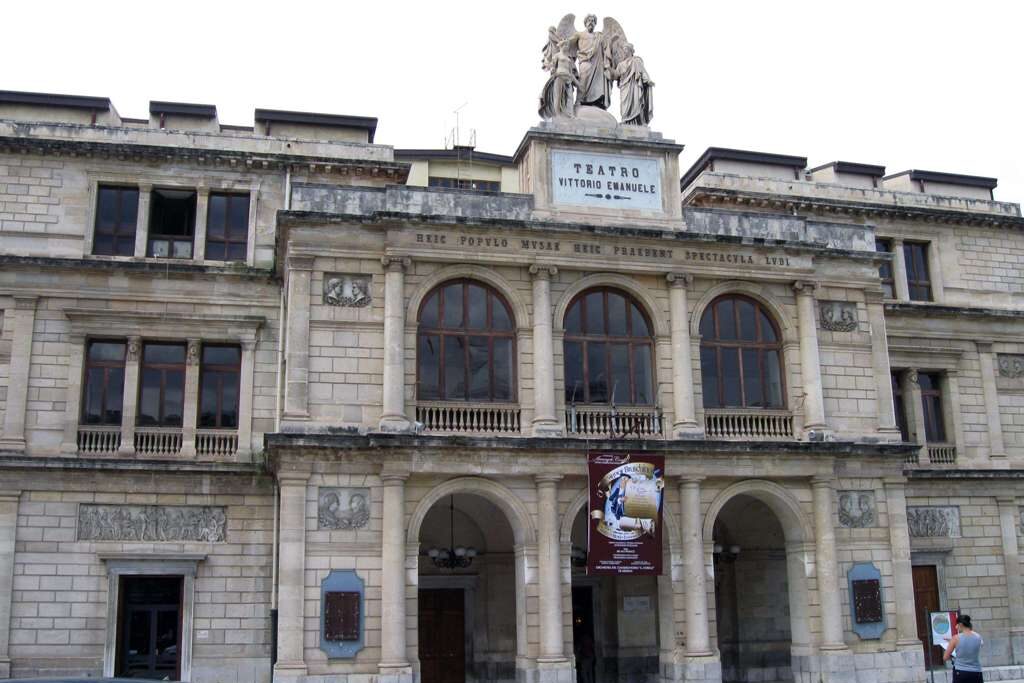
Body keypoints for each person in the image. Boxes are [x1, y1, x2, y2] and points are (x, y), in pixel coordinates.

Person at [611, 43, 654, 126]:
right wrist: (608, 68)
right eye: (623, 50)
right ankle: (625, 119)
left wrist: (648, 80)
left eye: (626, 49)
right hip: (625, 87)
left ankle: (639, 121)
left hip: (634, 85)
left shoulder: (636, 61)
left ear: (630, 51)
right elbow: (616, 75)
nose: (624, 52)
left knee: (637, 102)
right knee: (625, 105)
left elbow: (642, 72)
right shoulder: (621, 64)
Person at [538, 40, 580, 120]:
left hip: (568, 78)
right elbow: (553, 67)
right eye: (565, 45)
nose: (566, 47)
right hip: (559, 77)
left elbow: (571, 71)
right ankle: (557, 114)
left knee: (570, 97)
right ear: (561, 46)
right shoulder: (557, 56)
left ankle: (570, 114)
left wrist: (576, 82)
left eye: (567, 46)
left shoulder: (569, 59)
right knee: (558, 96)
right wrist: (552, 68)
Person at [944, 614, 984, 682]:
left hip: (960, 672)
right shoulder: (978, 637)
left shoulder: (955, 638)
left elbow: (945, 657)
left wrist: (951, 644)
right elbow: (971, 642)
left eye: (957, 625)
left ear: (960, 624)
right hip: (976, 672)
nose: (956, 627)